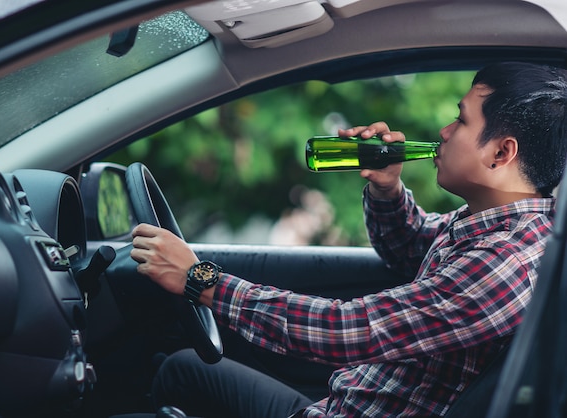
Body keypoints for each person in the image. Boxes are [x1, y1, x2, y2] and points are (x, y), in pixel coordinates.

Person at [129, 62, 567, 417]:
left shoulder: (507, 261)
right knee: (181, 368)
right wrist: (386, 187)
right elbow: (409, 247)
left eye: (462, 119)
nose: (445, 131)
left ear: (501, 153)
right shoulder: (492, 224)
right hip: (345, 403)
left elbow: (345, 331)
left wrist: (200, 279)